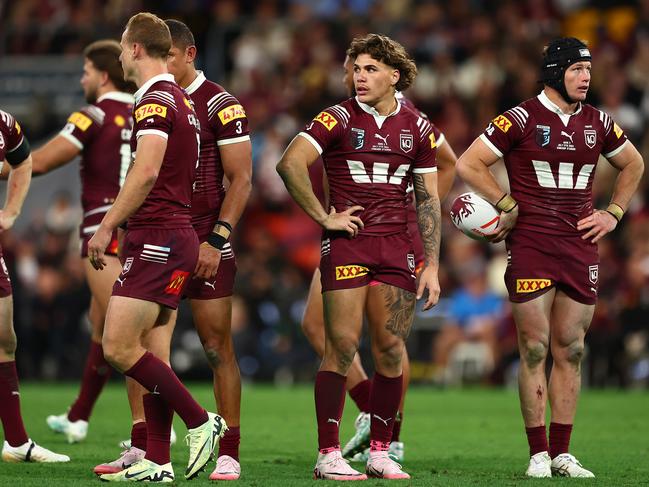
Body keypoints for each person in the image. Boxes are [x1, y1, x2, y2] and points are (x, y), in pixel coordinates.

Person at [456, 37, 644, 478]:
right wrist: (505, 203)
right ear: (556, 72)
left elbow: (633, 164)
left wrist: (613, 213)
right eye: (578, 70)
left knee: (573, 349)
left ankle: (562, 452)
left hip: (579, 246)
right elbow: (469, 163)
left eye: (589, 71)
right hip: (531, 244)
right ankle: (538, 452)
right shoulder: (520, 117)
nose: (586, 78)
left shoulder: (598, 122)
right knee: (535, 346)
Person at [277, 34, 441, 480]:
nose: (359, 76)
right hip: (349, 242)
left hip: (398, 248)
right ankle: (327, 453)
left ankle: (382, 450)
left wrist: (433, 266)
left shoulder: (418, 126)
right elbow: (290, 163)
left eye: (370, 69)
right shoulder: (336, 117)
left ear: (395, 75)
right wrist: (322, 217)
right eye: (356, 69)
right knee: (342, 346)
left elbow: (428, 200)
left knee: (390, 351)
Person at [95, 19, 253, 481]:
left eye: (122, 49)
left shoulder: (165, 100)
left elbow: (149, 173)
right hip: (175, 232)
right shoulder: (182, 101)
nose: (120, 57)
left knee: (124, 346)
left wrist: (108, 224)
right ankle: (156, 459)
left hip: (168, 235)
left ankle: (207, 426)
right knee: (151, 353)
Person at [23, 40, 137, 445]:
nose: (82, 78)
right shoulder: (144, 111)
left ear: (103, 75)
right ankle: (79, 416)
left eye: (86, 71)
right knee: (101, 325)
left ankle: (152, 427)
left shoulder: (94, 114)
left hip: (102, 232)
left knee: (125, 334)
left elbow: (45, 159)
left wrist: (9, 165)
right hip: (138, 229)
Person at [0, 109, 70, 463]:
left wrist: (11, 210)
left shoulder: (4, 123)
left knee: (4, 338)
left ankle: (16, 442)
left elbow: (22, 162)